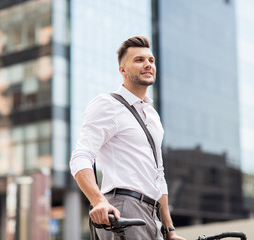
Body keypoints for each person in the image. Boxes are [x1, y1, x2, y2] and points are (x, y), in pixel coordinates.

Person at [70, 36, 185, 240]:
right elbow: (81, 156)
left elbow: (158, 174)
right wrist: (98, 201)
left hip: (152, 213)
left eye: (151, 60)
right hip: (123, 207)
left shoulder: (153, 116)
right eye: (139, 60)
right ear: (122, 70)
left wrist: (169, 229)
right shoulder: (108, 104)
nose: (148, 64)